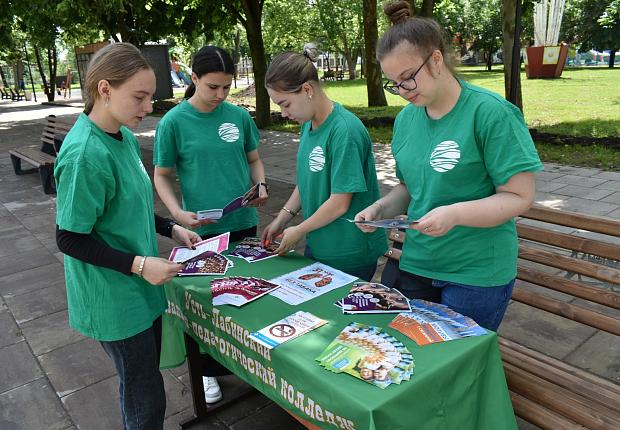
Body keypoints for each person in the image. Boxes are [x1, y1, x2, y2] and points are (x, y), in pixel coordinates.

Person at [354, 2, 543, 331]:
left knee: (455, 369)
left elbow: (518, 196)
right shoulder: (405, 121)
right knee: (408, 358)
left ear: (436, 60)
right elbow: (409, 188)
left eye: (407, 78)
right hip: (418, 263)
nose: (401, 91)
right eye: (393, 83)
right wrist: (380, 208)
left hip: (476, 273)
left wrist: (454, 214)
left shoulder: (491, 114)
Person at [54, 43, 201, 430]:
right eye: (139, 97)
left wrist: (171, 228)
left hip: (139, 287)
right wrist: (139, 265)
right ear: (104, 89)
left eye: (151, 96)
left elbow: (126, 208)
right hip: (115, 298)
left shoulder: (124, 136)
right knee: (144, 396)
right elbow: (69, 238)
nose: (148, 106)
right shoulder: (84, 155)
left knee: (143, 384)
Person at [154, 45, 267, 404]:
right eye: (212, 87)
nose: (220, 95)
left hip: (242, 220)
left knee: (245, 294)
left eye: (226, 87)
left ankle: (244, 359)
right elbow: (161, 175)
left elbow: (254, 159)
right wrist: (177, 213)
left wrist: (260, 185)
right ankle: (205, 372)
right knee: (207, 302)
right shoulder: (174, 122)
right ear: (194, 77)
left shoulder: (237, 117)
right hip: (201, 230)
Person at [261, 45, 387, 282]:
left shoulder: (345, 131)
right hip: (319, 245)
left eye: (285, 104)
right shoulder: (308, 124)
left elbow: (340, 202)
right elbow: (308, 180)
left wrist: (298, 230)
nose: (283, 113)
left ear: (307, 89)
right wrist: (283, 218)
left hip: (350, 252)